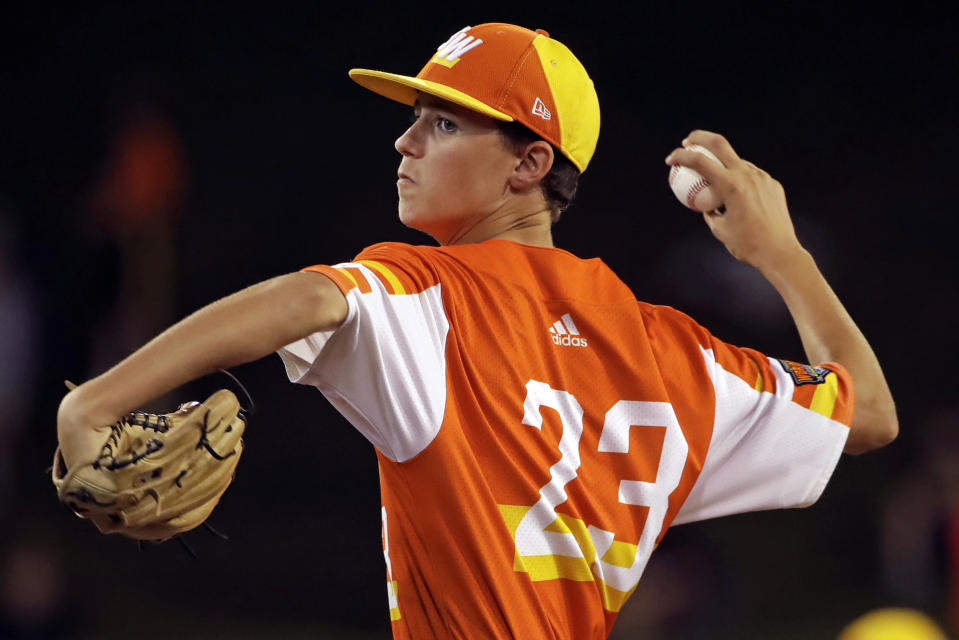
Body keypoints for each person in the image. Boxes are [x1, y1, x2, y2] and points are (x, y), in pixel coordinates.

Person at [56, 23, 898, 640]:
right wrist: (782, 257)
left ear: (530, 165)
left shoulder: (431, 296)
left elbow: (302, 303)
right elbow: (868, 419)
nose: (404, 139)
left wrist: (95, 402)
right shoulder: (677, 354)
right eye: (417, 117)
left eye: (443, 124)